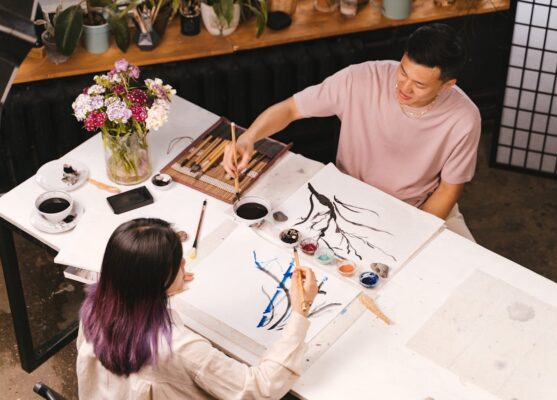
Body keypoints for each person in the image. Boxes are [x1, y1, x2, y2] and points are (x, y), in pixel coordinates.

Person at [223, 23, 480, 241]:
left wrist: (412, 233)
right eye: (403, 71)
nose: (404, 86)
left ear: (447, 85)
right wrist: (248, 138)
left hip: (417, 209)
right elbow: (290, 109)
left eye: (420, 85)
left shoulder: (464, 118)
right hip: (347, 197)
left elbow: (448, 190)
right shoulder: (362, 78)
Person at [77, 218, 318, 399]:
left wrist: (163, 287)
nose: (184, 264)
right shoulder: (180, 348)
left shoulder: (95, 306)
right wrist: (299, 312)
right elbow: (259, 388)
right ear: (156, 280)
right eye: (178, 263)